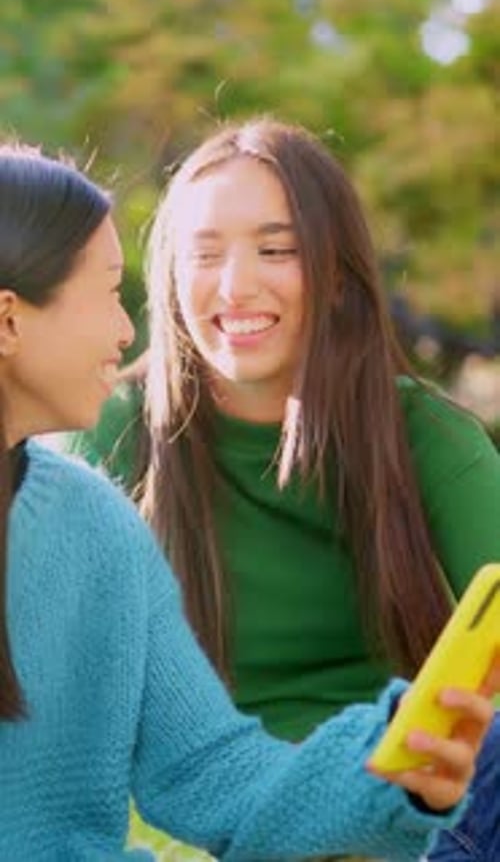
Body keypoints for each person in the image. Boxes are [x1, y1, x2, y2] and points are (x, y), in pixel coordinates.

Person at [2, 141, 494, 862]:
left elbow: (207, 771)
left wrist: (397, 775)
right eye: (110, 294)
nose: (128, 330)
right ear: (9, 320)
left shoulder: (94, 525)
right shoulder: (124, 445)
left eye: (276, 250)